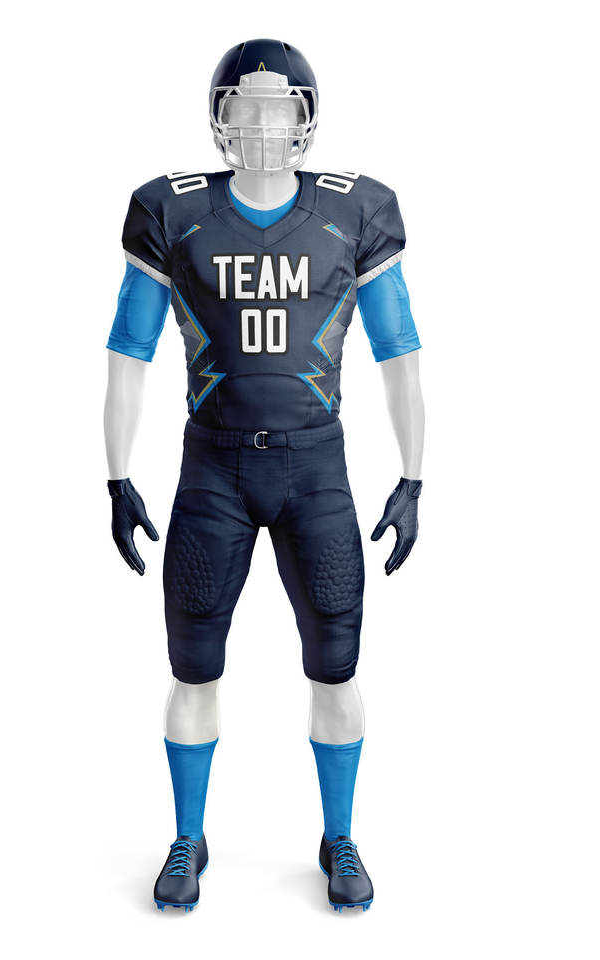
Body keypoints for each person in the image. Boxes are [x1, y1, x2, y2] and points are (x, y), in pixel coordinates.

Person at [104, 39, 425, 912]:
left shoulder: (355, 211)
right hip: (211, 467)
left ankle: (339, 834)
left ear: (305, 119)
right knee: (193, 665)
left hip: (316, 467)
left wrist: (413, 477)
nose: (262, 125)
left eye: (278, 109)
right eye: (246, 108)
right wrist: (117, 477)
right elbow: (128, 352)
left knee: (337, 664)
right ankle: (188, 836)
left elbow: (400, 352)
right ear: (220, 117)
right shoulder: (171, 212)